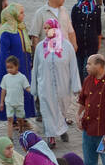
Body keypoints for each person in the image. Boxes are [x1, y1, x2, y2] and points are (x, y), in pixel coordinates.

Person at [32, 17, 81, 148]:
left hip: (63, 85)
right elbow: (35, 68)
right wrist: (34, 87)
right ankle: (51, 136)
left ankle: (62, 128)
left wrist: (76, 87)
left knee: (62, 108)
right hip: (45, 86)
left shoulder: (66, 46)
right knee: (47, 111)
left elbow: (74, 68)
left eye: (50, 28)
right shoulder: (40, 48)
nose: (47, 31)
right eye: (45, 28)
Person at [0, 5, 37, 125]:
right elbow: (4, 53)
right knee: (13, 92)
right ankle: (13, 118)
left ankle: (23, 116)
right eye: (21, 13)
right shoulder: (6, 31)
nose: (23, 15)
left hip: (24, 66)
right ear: (13, 14)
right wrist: (8, 68)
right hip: (12, 67)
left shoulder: (21, 28)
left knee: (23, 90)